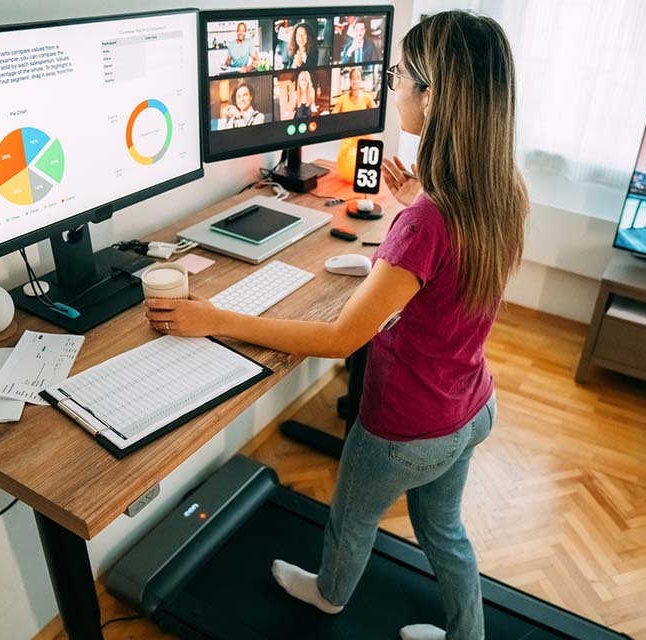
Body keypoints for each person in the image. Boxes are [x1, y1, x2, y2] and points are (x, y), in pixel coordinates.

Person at [146, 10, 528, 640]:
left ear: (433, 96)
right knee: (446, 532)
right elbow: (445, 277)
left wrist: (213, 317)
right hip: (470, 409)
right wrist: (409, 214)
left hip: (404, 429)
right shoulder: (499, 192)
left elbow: (340, 338)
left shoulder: (426, 223)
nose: (391, 84)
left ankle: (328, 596)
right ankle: (468, 636)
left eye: (399, 74)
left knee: (351, 522)